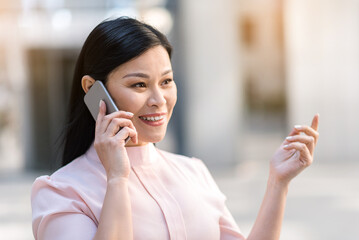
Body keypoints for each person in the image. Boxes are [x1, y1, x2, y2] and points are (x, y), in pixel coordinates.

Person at [31, 17, 319, 240]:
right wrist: (117, 178)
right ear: (94, 90)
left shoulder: (193, 172)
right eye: (139, 84)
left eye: (166, 81)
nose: (159, 101)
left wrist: (278, 183)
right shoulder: (61, 192)